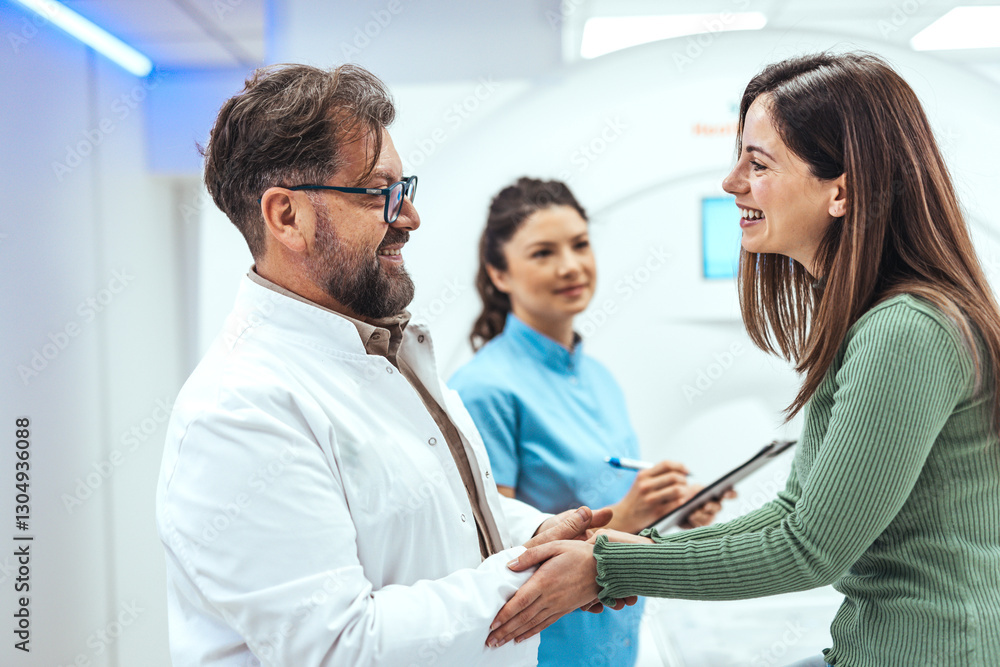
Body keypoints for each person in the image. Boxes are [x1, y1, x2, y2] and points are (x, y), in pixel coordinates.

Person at [485, 52, 1000, 667]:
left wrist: (609, 566)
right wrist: (624, 548)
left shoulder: (905, 331)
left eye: (757, 164)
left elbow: (811, 547)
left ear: (842, 190)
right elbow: (794, 513)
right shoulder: (876, 325)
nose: (731, 183)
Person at [155, 63, 614, 667]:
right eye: (378, 193)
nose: (409, 216)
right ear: (286, 216)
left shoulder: (383, 349)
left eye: (405, 187)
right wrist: (534, 578)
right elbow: (338, 648)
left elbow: (442, 514)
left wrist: (538, 538)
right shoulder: (240, 409)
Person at [449, 177, 731, 667]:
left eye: (580, 244)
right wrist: (631, 514)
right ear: (499, 274)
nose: (570, 266)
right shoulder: (484, 389)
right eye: (542, 253)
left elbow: (612, 508)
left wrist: (672, 509)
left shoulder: (598, 377)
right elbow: (493, 556)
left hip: (615, 637)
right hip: (544, 650)